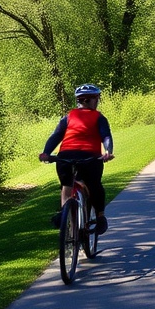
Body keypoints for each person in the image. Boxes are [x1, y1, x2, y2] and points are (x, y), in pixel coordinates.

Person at [40, 83, 114, 234]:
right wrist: (108, 151)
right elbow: (105, 135)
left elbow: (56, 136)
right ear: (89, 100)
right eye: (96, 98)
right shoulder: (98, 117)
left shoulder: (68, 117)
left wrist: (46, 152)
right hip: (90, 157)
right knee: (94, 185)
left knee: (66, 186)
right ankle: (100, 217)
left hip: (65, 157)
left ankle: (66, 217)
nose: (97, 101)